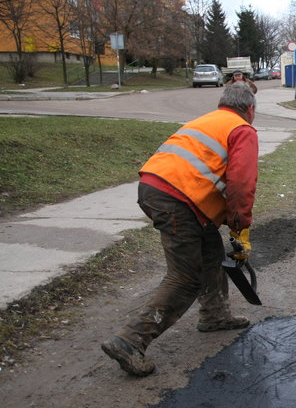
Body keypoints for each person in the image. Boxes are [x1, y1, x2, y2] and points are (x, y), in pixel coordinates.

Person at [101, 83, 260, 376]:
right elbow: (241, 185)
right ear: (249, 109)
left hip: (155, 189)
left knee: (210, 251)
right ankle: (130, 341)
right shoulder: (242, 129)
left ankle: (215, 315)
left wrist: (226, 223)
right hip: (178, 200)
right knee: (186, 277)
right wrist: (240, 227)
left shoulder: (207, 120)